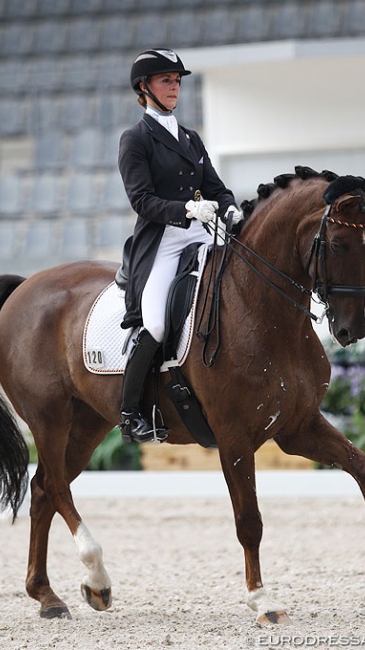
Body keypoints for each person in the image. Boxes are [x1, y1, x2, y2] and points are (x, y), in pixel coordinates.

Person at [117, 47, 243, 443]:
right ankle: (129, 411)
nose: (174, 88)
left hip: (204, 232)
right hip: (164, 241)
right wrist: (187, 209)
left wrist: (232, 211)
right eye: (165, 81)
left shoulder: (189, 136)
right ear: (145, 88)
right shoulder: (136, 139)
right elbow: (141, 201)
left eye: (176, 81)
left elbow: (217, 188)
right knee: (155, 323)